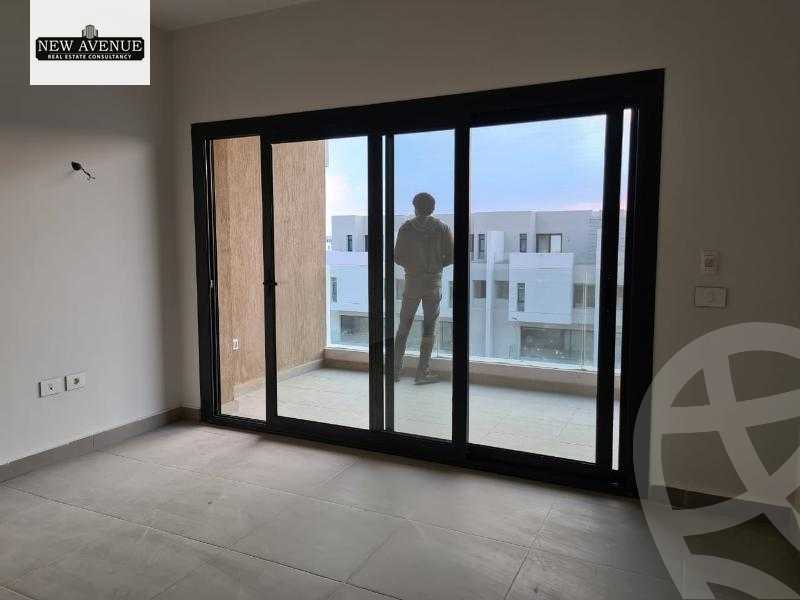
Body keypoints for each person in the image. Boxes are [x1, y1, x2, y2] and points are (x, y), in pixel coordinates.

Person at [393, 192, 453, 384]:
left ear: (415, 207)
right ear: (433, 208)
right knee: (429, 327)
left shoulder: (406, 228)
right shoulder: (442, 228)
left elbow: (397, 257)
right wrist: (435, 266)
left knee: (404, 326)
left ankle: (395, 370)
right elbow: (451, 256)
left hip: (412, 282)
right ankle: (422, 372)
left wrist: (412, 267)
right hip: (433, 283)